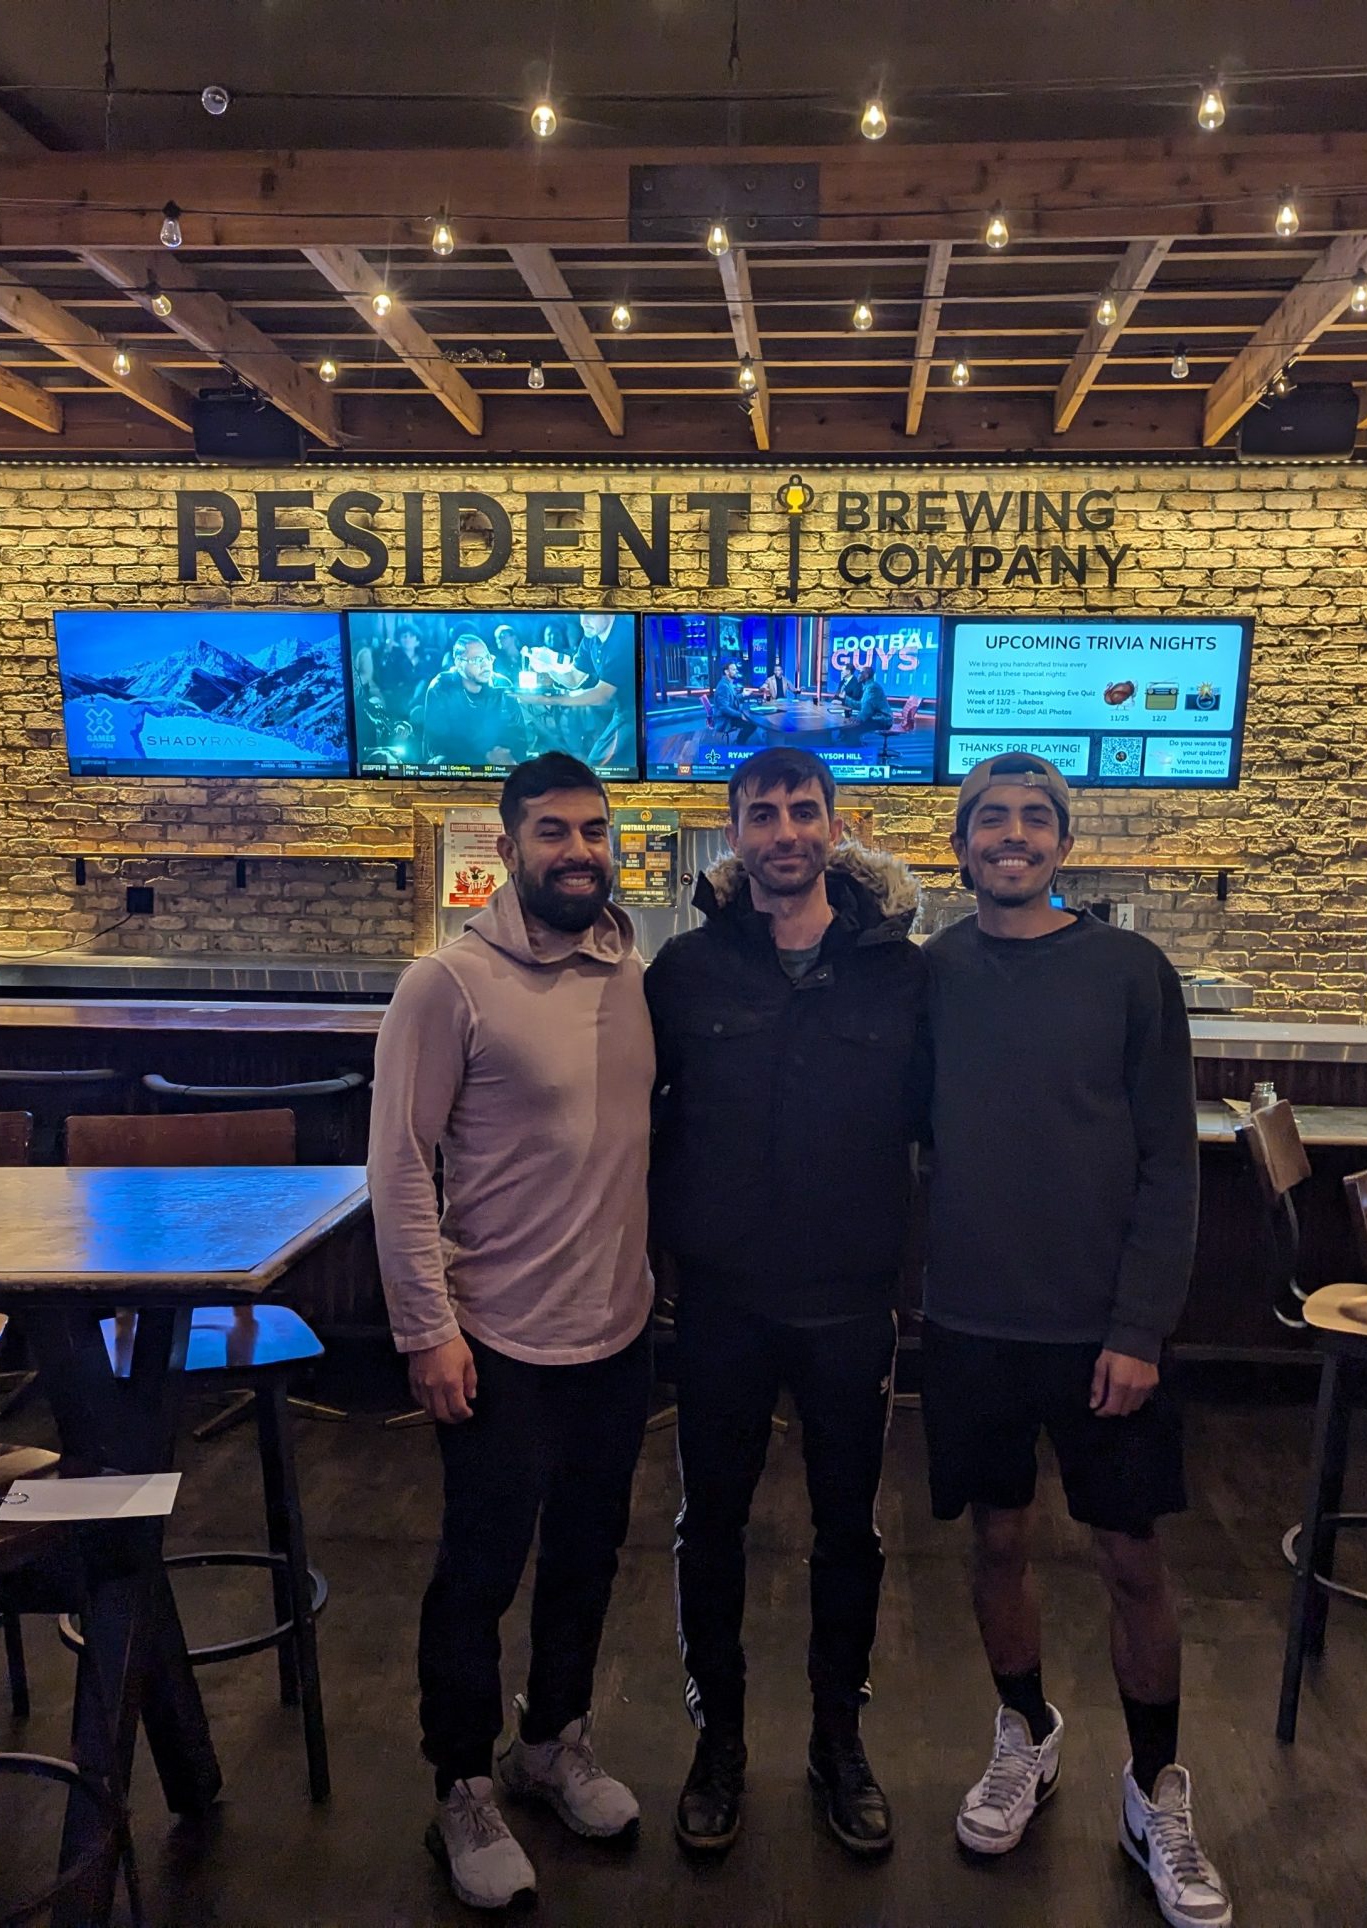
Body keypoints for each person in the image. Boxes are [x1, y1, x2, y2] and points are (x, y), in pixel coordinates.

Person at [923, 751, 1230, 1928]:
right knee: (995, 1538)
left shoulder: (1130, 972)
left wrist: (1140, 1325)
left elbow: (1168, 1160)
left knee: (1131, 1558)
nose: (1012, 834)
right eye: (990, 818)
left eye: (1033, 818)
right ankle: (1024, 1731)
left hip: (1104, 1332)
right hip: (970, 1321)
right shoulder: (935, 972)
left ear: (1062, 841)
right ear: (961, 845)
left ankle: (1154, 1789)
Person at [368, 752, 658, 1912]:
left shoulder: (629, 966)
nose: (577, 850)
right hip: (493, 1337)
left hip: (617, 1331)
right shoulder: (447, 982)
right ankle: (460, 1782)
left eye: (593, 829)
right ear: (508, 846)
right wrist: (425, 1329)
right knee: (479, 1570)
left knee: (588, 1553)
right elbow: (398, 1162)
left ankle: (550, 1742)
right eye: (552, 830)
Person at [646, 746, 926, 1858]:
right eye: (761, 814)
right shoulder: (683, 971)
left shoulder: (901, 972)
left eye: (803, 810)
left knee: (848, 1528)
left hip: (851, 1298)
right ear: (735, 832)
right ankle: (717, 1741)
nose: (784, 832)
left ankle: (836, 1739)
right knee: (709, 1525)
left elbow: (941, 1122)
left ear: (835, 825)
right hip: (721, 1299)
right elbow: (639, 1119)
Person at [416, 633, 526, 770]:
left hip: (498, 762)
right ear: (459, 663)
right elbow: (435, 745)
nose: (486, 665)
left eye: (488, 658)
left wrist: (508, 755)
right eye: (477, 660)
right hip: (458, 765)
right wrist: (485, 757)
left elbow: (518, 735)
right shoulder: (441, 687)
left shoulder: (502, 685)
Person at [708, 662, 759, 742]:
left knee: (749, 716)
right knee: (752, 724)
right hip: (725, 719)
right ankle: (739, 743)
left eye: (736, 669)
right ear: (726, 672)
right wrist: (740, 715)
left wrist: (743, 694)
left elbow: (732, 699)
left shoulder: (728, 683)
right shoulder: (723, 686)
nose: (736, 671)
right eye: (734, 669)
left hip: (728, 715)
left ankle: (739, 741)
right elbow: (724, 708)